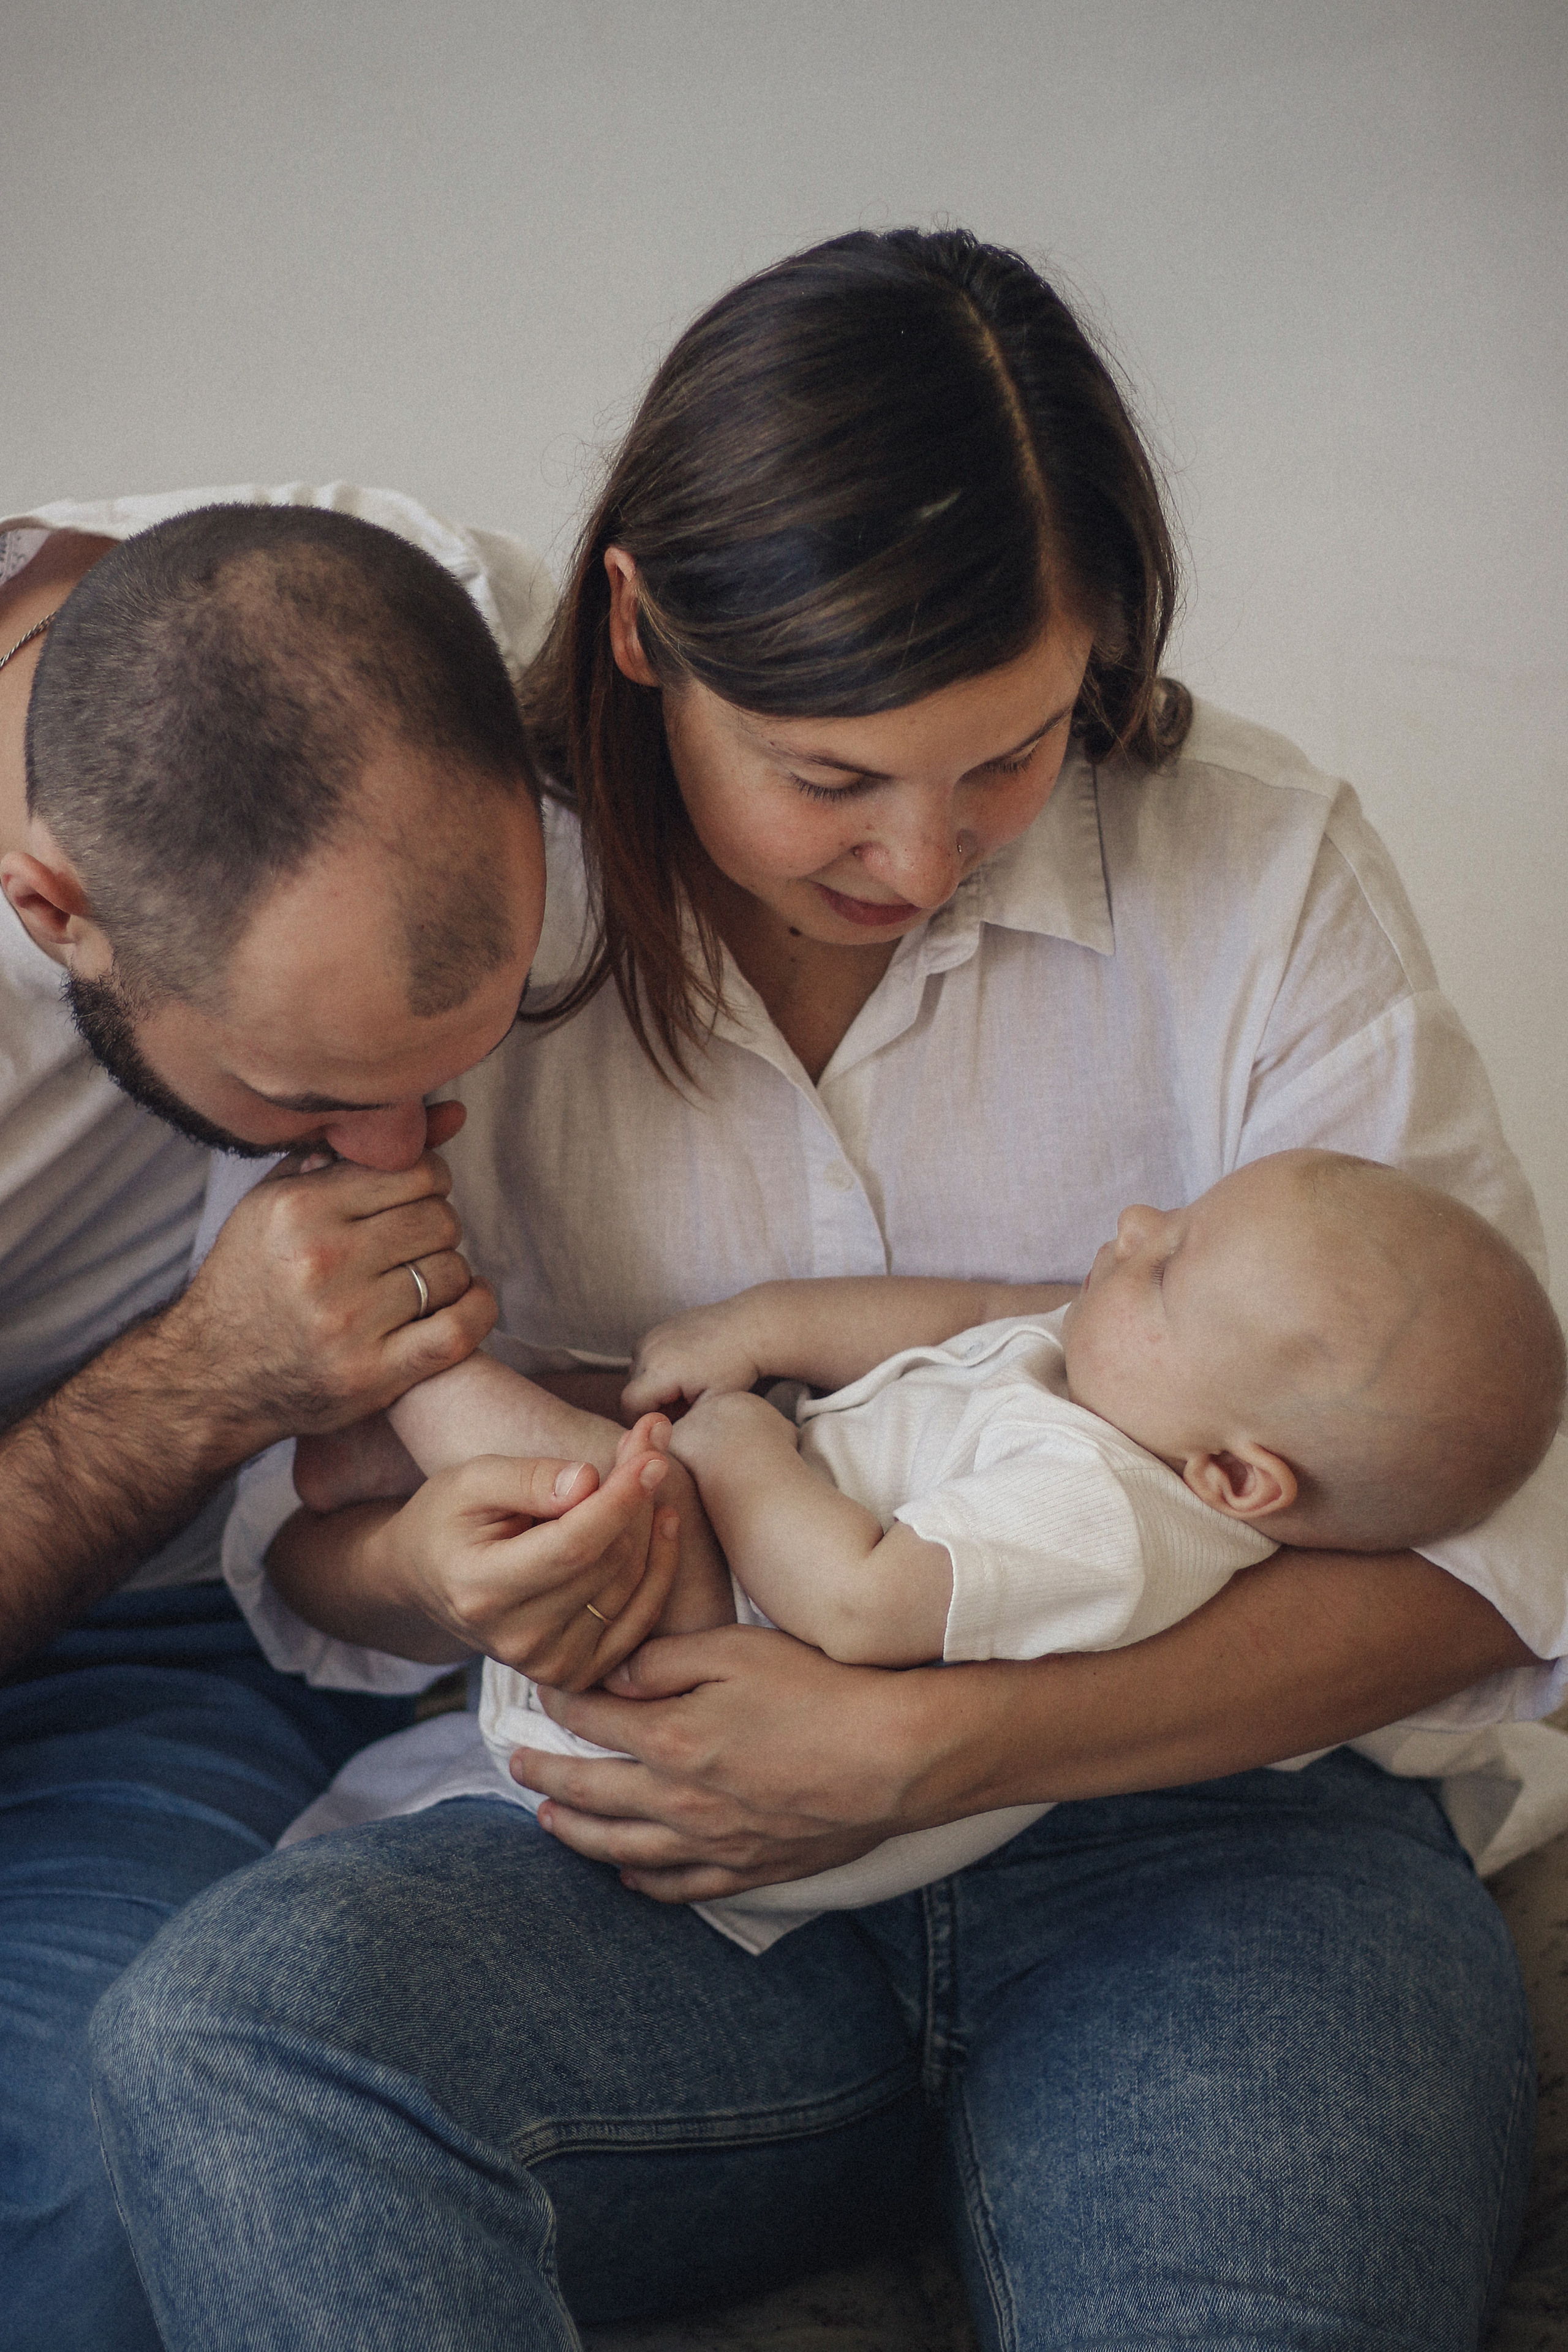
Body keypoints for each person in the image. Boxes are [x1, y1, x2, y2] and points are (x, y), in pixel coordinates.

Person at [91, 231, 1568, 2350]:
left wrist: (932, 1746)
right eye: (832, 776)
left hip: (1218, 1850)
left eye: (1011, 756)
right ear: (639, 630)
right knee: (229, 2046)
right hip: (649, 1859)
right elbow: (307, 1541)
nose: (925, 855)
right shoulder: (464, 907)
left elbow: (1493, 1535)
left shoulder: (1252, 864)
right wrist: (444, 1564)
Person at [0, 489, 679, 2352]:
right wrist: (210, 1374)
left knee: (102, 2190)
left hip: (160, 1655)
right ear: (54, 906)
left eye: (456, 1068)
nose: (402, 1158)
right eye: (314, 1091)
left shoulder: (409, 604)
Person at [290, 1145, 1564, 1956]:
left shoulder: (1107, 1519)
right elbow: (967, 1316)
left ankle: (407, 1362)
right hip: (731, 1577)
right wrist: (765, 1324)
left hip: (710, 1692)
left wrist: (740, 1448)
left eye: (1166, 1265)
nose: (1128, 1223)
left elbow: (856, 1606)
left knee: (604, 1478)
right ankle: (397, 1443)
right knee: (613, 1449)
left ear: (1234, 1479)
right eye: (1167, 1217)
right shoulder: (1129, 1379)